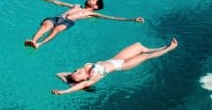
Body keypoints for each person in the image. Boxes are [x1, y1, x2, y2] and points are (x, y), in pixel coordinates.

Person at [51, 38, 179, 95]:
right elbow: (81, 85)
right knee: (146, 56)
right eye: (78, 73)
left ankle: (162, 47)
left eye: (75, 70)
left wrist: (68, 80)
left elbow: (59, 73)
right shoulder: (91, 79)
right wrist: (65, 91)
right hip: (123, 65)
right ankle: (169, 48)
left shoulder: (83, 70)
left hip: (116, 59)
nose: (77, 70)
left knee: (138, 46)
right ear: (84, 79)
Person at [24, 0, 144, 49]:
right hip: (59, 18)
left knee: (56, 30)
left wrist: (132, 19)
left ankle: (39, 44)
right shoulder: (76, 6)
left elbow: (112, 18)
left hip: (68, 22)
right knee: (46, 25)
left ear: (96, 6)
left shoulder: (91, 13)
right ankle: (33, 41)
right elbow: (59, 2)